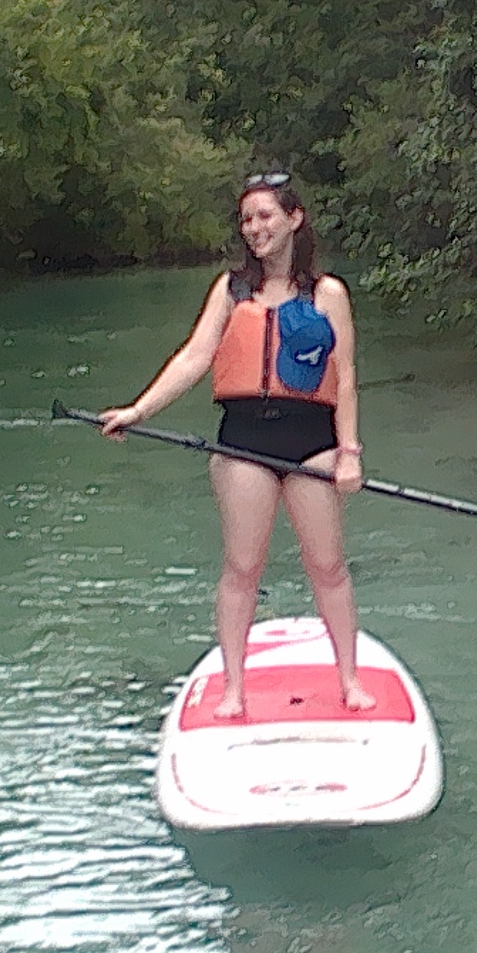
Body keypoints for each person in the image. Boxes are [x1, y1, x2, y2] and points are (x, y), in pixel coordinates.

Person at [101, 171, 369, 722]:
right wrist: (139, 410)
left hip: (312, 441)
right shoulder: (230, 291)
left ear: (294, 219)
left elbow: (343, 378)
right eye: (247, 219)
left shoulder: (328, 294)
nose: (255, 228)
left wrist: (349, 453)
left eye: (265, 216)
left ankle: (349, 681)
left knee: (328, 565)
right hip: (244, 439)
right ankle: (233, 690)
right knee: (242, 567)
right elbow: (195, 358)